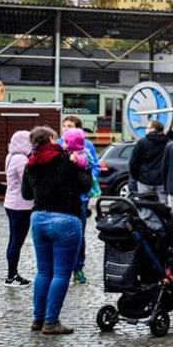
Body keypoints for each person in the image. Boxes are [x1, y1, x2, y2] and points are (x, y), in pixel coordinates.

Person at [21, 126, 92, 335]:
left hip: (38, 218)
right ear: (51, 139)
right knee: (61, 273)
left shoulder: (31, 162)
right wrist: (82, 166)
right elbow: (85, 186)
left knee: (43, 272)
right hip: (65, 219)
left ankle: (38, 319)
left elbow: (26, 194)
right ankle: (51, 322)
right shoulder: (65, 160)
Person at [61, 115, 101, 284]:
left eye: (69, 126)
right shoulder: (59, 144)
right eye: (64, 126)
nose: (65, 129)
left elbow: (95, 167)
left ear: (78, 128)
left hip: (81, 198)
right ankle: (62, 268)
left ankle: (78, 268)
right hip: (62, 197)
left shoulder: (87, 146)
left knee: (79, 234)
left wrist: (86, 178)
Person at [3, 130, 34, 287]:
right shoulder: (21, 159)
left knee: (13, 240)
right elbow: (27, 182)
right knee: (17, 241)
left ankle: (12, 274)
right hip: (21, 206)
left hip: (10, 203)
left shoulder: (10, 156)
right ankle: (11, 275)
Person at [129, 120, 169, 201]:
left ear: (153, 129)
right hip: (161, 180)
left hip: (144, 179)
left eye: (147, 127)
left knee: (145, 205)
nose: (145, 129)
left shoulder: (142, 142)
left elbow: (133, 162)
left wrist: (136, 176)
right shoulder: (167, 142)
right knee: (162, 207)